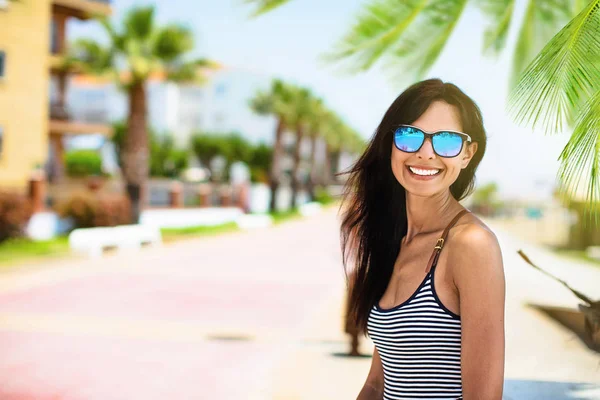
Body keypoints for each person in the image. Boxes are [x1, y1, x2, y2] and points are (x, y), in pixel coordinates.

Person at [338, 78, 505, 399]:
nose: (425, 153)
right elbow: (378, 382)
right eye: (409, 135)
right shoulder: (394, 240)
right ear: (390, 145)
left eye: (446, 141)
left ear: (468, 154)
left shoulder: (471, 244)